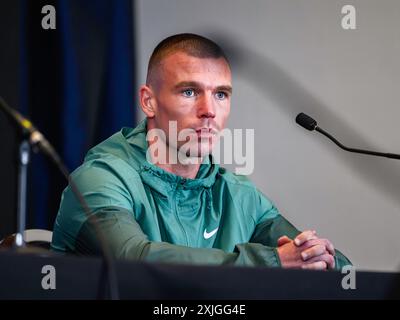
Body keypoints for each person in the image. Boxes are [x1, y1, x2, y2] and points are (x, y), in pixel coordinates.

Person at [51, 33, 351, 270]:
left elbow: (334, 267)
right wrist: (272, 262)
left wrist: (319, 257)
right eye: (189, 92)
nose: (209, 111)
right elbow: (133, 261)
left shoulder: (238, 194)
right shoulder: (99, 180)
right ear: (148, 101)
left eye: (220, 94)